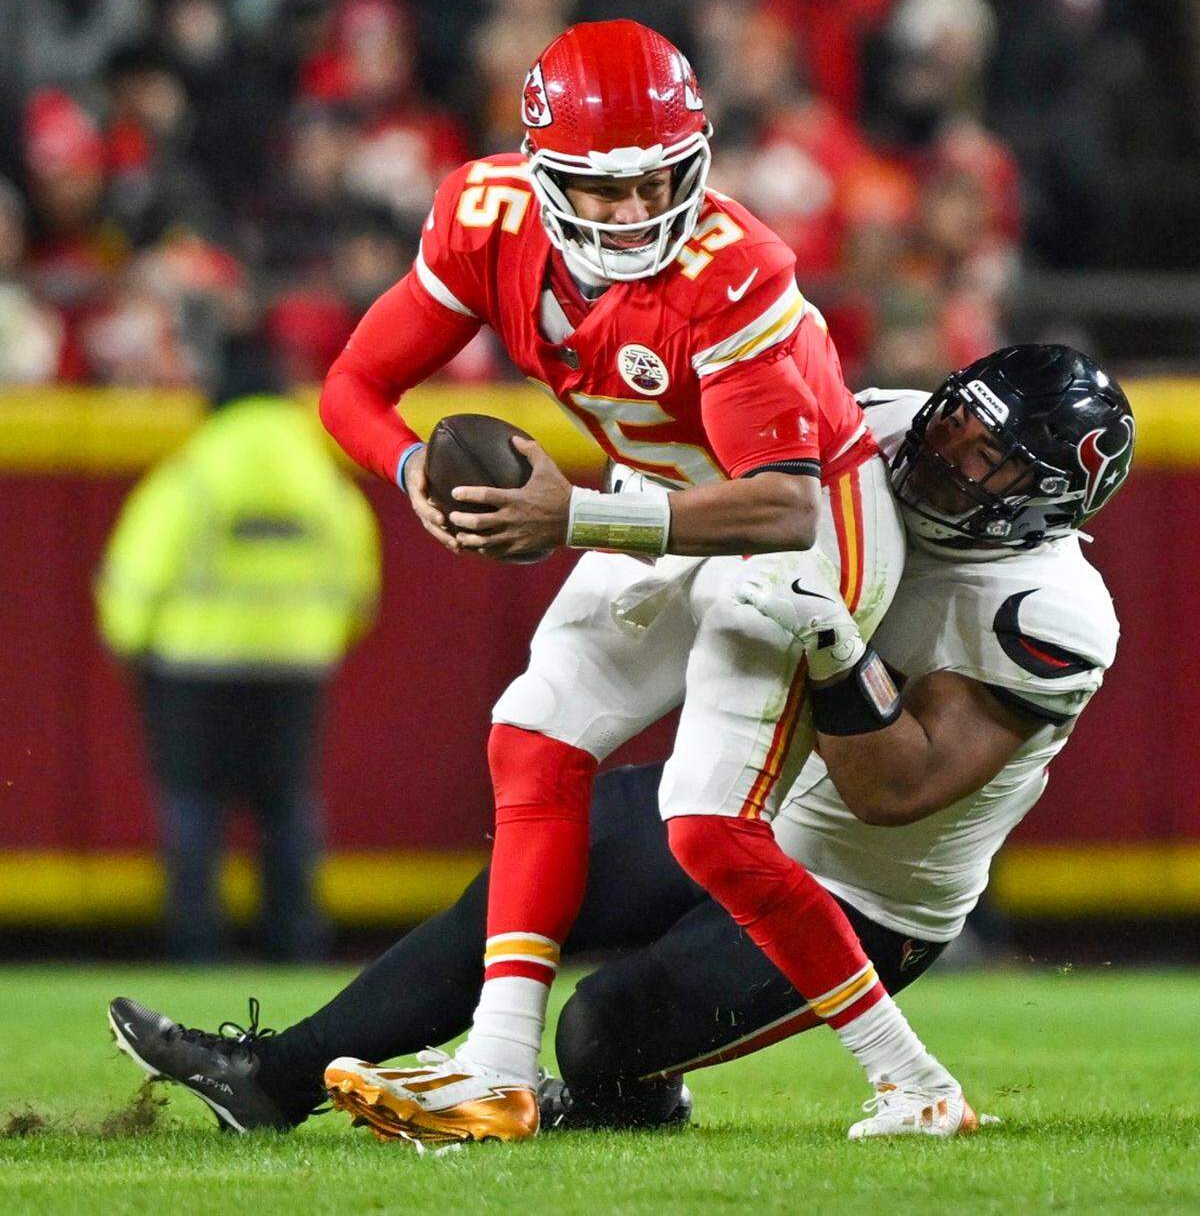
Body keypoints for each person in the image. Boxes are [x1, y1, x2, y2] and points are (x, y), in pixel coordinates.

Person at [107, 345, 1133, 1139]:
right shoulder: (883, 425)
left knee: (599, 1033)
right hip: (752, 795)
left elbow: (894, 785)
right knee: (538, 867)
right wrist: (583, 517)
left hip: (864, 892)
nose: (941, 457)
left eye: (983, 462)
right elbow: (727, 491)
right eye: (956, 424)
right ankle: (272, 1079)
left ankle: (631, 1097)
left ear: (1043, 502)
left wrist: (834, 638)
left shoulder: (1047, 614)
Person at [315, 17, 971, 1141]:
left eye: (655, 181)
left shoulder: (735, 269)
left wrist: (571, 514)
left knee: (708, 825)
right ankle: (500, 1064)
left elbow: (781, 501)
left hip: (812, 533)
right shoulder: (486, 220)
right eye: (600, 189)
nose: (632, 212)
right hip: (656, 498)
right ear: (539, 174)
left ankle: (915, 1084)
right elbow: (353, 387)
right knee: (534, 728)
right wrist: (413, 467)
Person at [95, 351, 381, 961]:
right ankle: (298, 946)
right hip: (295, 668)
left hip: (193, 669)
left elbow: (137, 574)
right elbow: (359, 584)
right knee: (287, 807)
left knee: (194, 808)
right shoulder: (322, 482)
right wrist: (318, 639)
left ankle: (196, 949)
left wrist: (130, 640)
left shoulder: (192, 476)